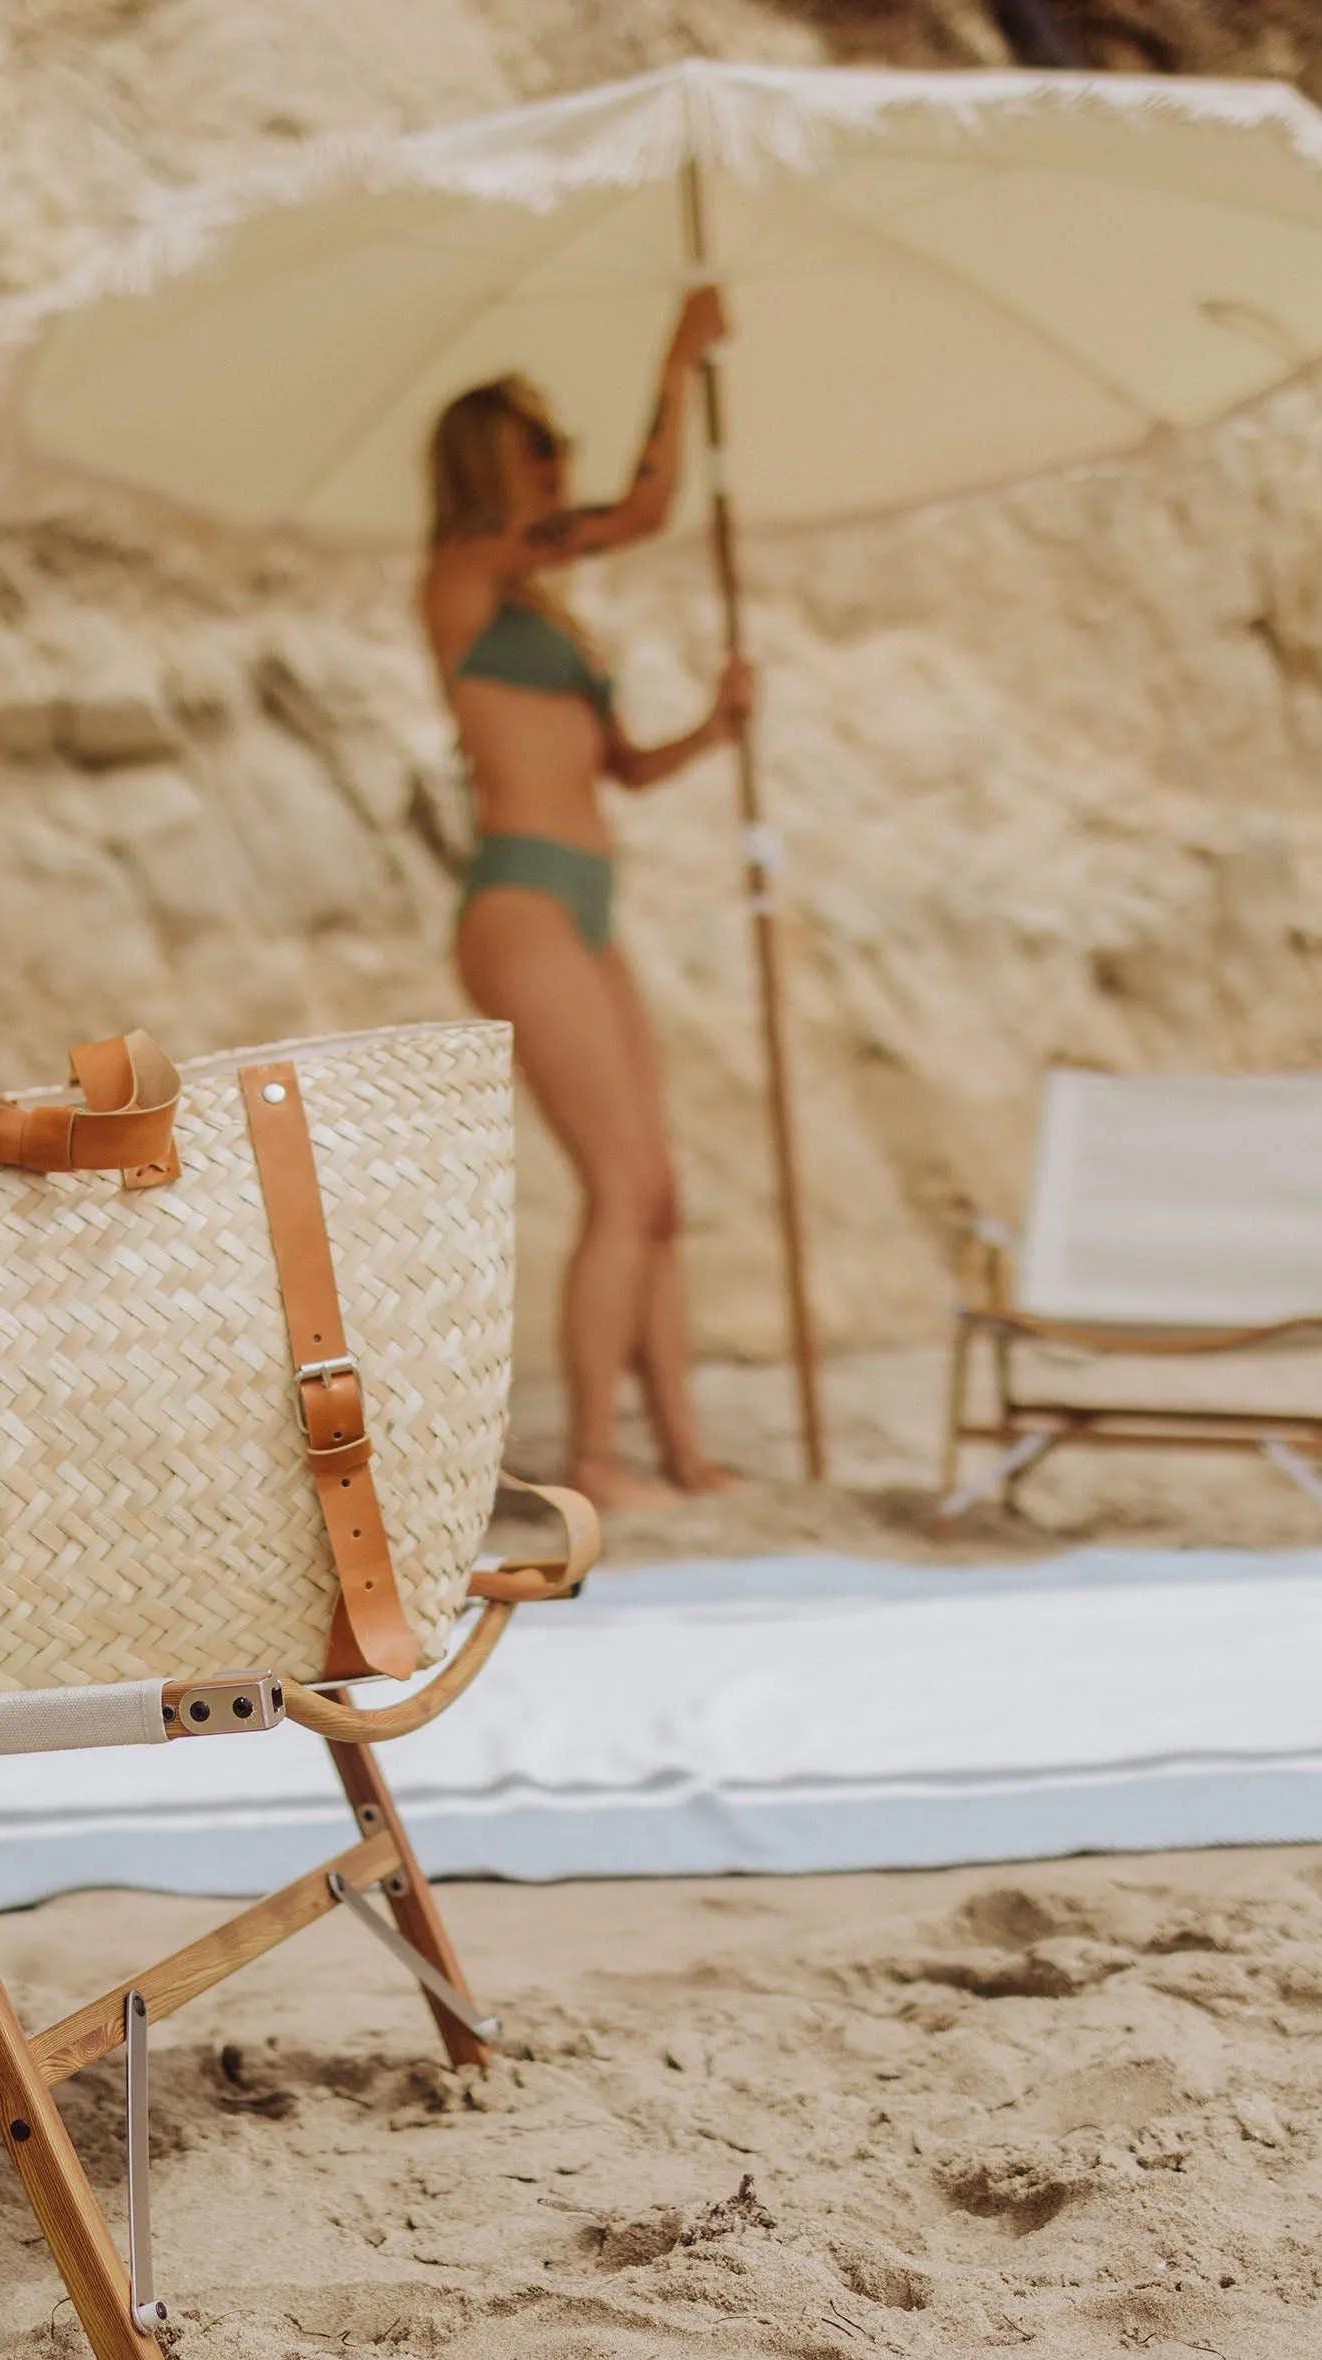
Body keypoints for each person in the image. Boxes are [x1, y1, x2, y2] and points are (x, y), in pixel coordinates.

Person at [422, 288, 751, 1512]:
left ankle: (683, 1450)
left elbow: (623, 768)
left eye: (561, 445)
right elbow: (652, 507)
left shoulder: (542, 610)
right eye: (540, 445)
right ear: (487, 463)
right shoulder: (462, 572)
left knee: (657, 1186)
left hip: (587, 890)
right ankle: (601, 1464)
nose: (560, 463)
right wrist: (676, 362)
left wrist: (715, 728)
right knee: (620, 1187)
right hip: (520, 903)